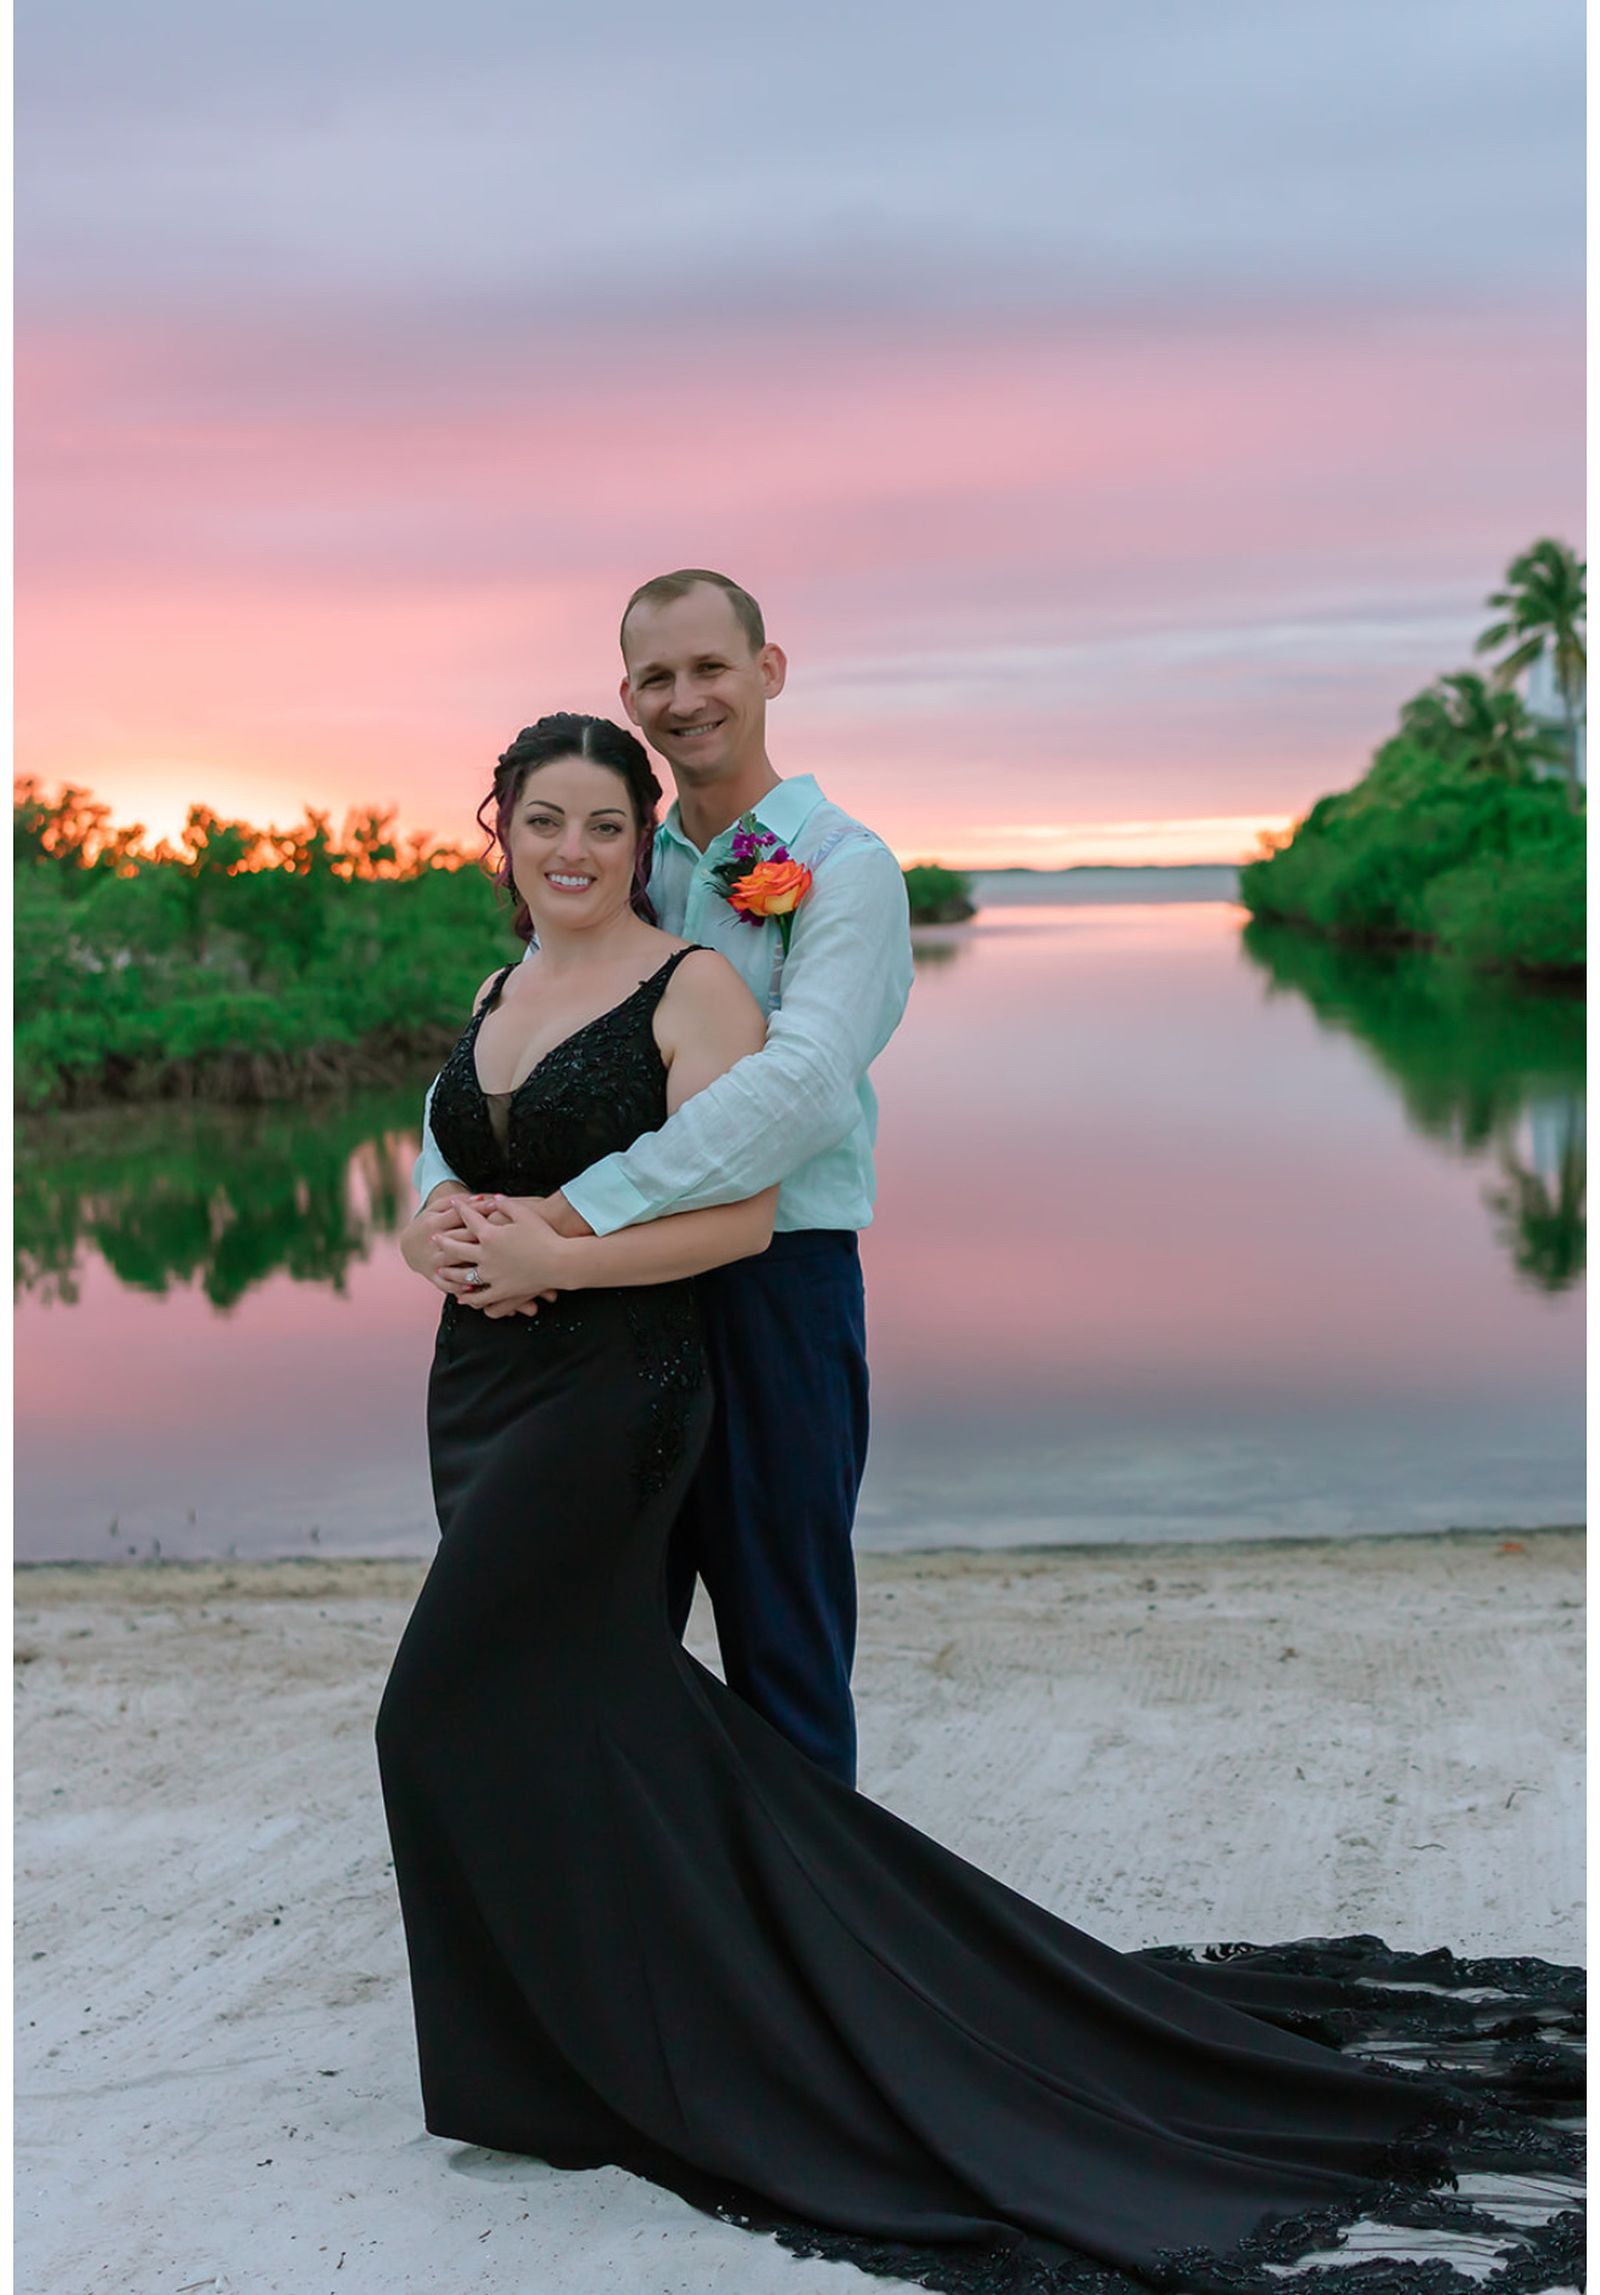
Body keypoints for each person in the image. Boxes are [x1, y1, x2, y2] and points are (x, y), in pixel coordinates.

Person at [377, 710, 1580, 2295]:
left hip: (612, 1394)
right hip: (480, 1392)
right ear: (503, 830)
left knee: (439, 1708)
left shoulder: (702, 980)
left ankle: (806, 2006)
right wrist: (435, 1242)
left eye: (604, 823)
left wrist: (561, 1252)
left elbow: (743, 1212)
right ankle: (563, 2056)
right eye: (546, 822)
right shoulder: (493, 990)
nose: (575, 850)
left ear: (639, 832)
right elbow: (434, 1175)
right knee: (577, 1707)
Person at [403, 570, 913, 1786]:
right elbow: (508, 1057)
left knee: (780, 1640)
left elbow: (800, 1089)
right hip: (597, 1324)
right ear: (626, 697)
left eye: (710, 668)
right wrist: (443, 1205)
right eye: (656, 678)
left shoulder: (843, 872)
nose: (685, 699)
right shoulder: (619, 848)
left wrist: (572, 1217)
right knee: (600, 1638)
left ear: (768, 670)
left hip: (771, 1285)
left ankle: (803, 1957)